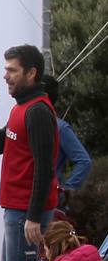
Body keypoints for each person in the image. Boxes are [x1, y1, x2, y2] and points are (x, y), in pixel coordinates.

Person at [0, 44, 59, 261]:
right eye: (5, 70)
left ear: (31, 73)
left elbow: (44, 168)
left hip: (26, 212)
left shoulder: (37, 111)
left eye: (12, 70)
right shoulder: (19, 108)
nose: (5, 76)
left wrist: (33, 216)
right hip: (16, 209)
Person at [42, 77, 92, 205]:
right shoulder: (22, 122)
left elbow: (84, 161)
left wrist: (66, 188)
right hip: (23, 198)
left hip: (50, 201)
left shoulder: (60, 128)